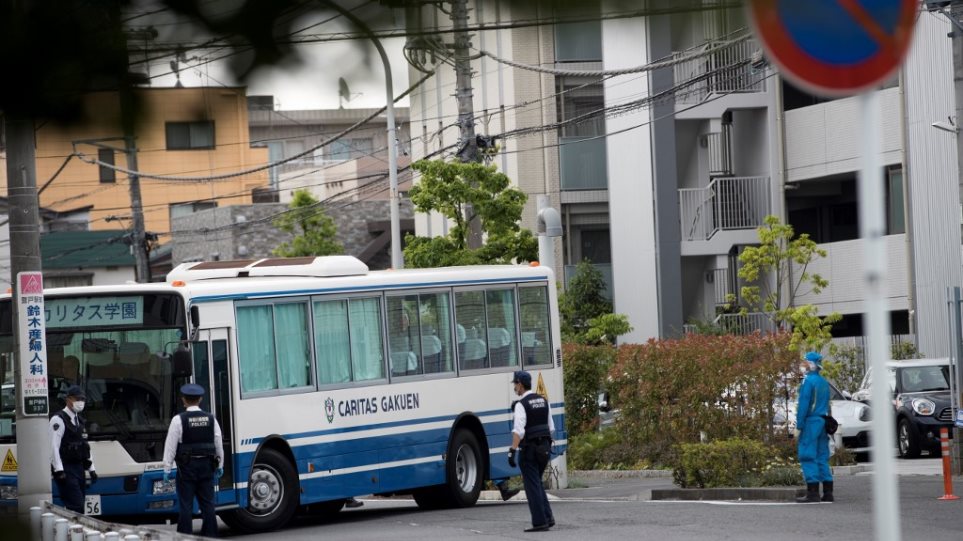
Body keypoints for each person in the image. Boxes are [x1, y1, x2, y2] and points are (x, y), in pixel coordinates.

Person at [163, 384, 225, 537]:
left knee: (186, 505)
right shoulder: (211, 419)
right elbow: (218, 443)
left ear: (183, 400)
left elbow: (170, 446)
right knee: (208, 505)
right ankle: (211, 536)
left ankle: (184, 537)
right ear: (200, 399)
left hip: (187, 468)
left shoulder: (178, 420)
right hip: (207, 467)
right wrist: (220, 465)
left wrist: (167, 469)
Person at [508, 370, 555, 532]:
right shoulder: (543, 401)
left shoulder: (522, 404)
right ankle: (548, 518)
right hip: (545, 449)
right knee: (537, 483)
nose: (515, 387)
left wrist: (512, 451)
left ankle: (539, 522)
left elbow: (519, 431)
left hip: (530, 450)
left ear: (520, 384)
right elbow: (551, 428)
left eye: (515, 384)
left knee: (532, 486)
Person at [50, 385, 97, 513]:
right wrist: (59, 470)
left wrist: (92, 469)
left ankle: (75, 531)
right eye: (77, 399)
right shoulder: (58, 419)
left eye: (83, 399)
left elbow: (85, 446)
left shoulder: (80, 421)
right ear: (68, 399)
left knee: (79, 506)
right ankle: (73, 531)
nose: (80, 402)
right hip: (66, 468)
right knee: (76, 505)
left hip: (79, 467)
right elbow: (54, 446)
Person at [795, 351, 834, 503]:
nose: (802, 365)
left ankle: (812, 493)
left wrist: (799, 425)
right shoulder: (823, 382)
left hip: (810, 422)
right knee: (821, 456)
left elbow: (804, 404)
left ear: (811, 365)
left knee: (807, 454)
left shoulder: (808, 382)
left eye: (805, 362)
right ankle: (828, 492)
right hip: (822, 421)